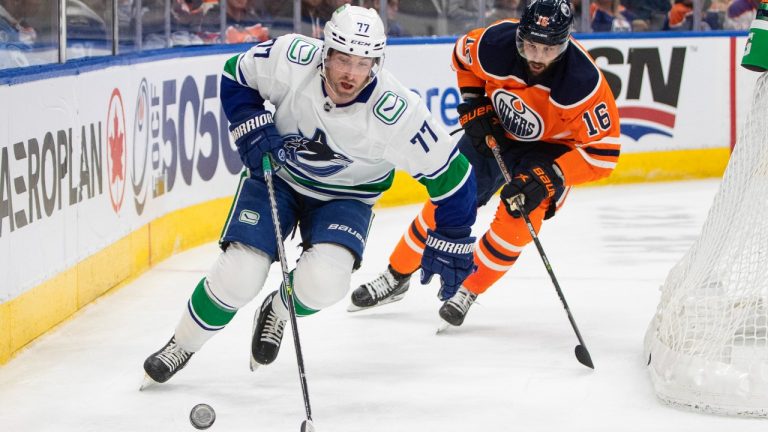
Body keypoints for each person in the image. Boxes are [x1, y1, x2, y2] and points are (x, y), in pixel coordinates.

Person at [141, 4, 478, 386]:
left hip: (347, 198)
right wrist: (252, 128)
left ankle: (279, 310)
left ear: (377, 63)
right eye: (343, 59)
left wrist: (453, 237)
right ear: (326, 51)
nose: (351, 73)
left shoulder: (398, 112)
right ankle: (182, 343)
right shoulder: (291, 57)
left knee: (325, 284)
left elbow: (454, 178)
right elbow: (236, 74)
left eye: (363, 62)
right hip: (280, 177)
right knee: (239, 274)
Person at [349, 0, 621, 328]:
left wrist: (552, 176)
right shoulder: (495, 43)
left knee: (518, 219)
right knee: (449, 201)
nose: (536, 57)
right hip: (497, 131)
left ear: (564, 44)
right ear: (520, 34)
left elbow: (603, 155)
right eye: (531, 45)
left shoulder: (582, 83)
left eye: (547, 50)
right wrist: (475, 102)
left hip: (550, 151)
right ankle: (396, 275)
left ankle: (469, 288)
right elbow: (462, 58)